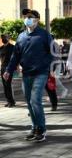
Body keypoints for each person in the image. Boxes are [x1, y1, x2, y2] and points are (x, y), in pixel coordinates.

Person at [3, 9, 53, 142]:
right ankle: (34, 127)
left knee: (35, 100)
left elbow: (53, 53)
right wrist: (8, 70)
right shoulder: (21, 36)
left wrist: (47, 67)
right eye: (25, 16)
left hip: (40, 73)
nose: (27, 19)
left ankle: (41, 129)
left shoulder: (44, 35)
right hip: (26, 74)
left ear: (37, 19)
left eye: (30, 16)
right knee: (29, 103)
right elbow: (15, 56)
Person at [0, 34, 15, 107]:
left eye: (4, 38)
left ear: (8, 38)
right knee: (4, 85)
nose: (3, 39)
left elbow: (15, 58)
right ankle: (8, 100)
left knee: (8, 84)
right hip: (2, 68)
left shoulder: (12, 47)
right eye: (2, 38)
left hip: (9, 68)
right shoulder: (1, 48)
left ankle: (11, 101)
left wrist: (17, 67)